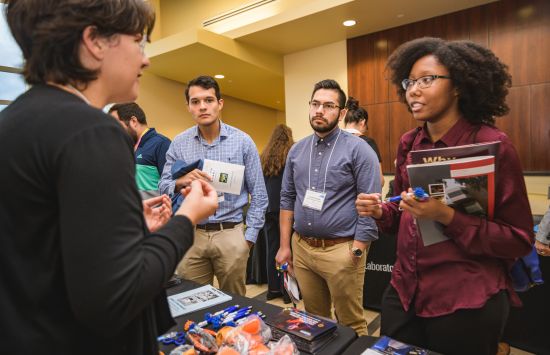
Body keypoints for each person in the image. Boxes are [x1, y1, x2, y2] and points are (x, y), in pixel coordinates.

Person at [0, 1, 219, 354]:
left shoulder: (13, 123)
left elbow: (46, 251)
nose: (145, 59)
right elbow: (117, 296)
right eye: (138, 41)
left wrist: (130, 230)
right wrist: (186, 218)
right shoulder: (92, 132)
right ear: (95, 42)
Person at [355, 37, 534, 355]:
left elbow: (518, 239)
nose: (413, 90)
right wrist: (383, 211)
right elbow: (401, 213)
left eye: (427, 79)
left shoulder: (492, 145)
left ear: (458, 86)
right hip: (404, 291)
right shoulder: (409, 143)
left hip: (465, 300)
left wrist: (446, 216)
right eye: (409, 81)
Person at [276, 79, 381, 335]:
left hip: (342, 251)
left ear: (342, 113)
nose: (319, 110)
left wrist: (357, 251)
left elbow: (370, 206)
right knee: (315, 321)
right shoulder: (296, 151)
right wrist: (284, 245)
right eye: (315, 104)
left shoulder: (360, 150)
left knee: (351, 323)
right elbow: (287, 198)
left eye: (328, 105)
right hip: (303, 250)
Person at [159, 75, 268, 296]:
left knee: (234, 302)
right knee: (192, 300)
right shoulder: (179, 143)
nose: (202, 107)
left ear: (220, 103)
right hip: (192, 235)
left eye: (208, 100)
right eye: (195, 101)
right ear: (188, 107)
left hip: (231, 234)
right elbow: (163, 185)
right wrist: (181, 181)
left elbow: (259, 195)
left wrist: (248, 239)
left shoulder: (243, 141)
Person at [260, 124, 294, 302]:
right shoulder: (292, 153)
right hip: (286, 209)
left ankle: (273, 289)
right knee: (287, 248)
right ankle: (287, 290)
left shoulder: (264, 155)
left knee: (272, 248)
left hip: (267, 208)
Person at [109, 102, 171, 198]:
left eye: (117, 125)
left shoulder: (161, 144)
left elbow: (171, 186)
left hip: (154, 211)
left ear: (133, 121)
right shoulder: (126, 146)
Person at [343, 97, 385, 188]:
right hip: (361, 199)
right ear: (363, 122)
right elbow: (380, 181)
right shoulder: (368, 143)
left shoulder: (333, 141)